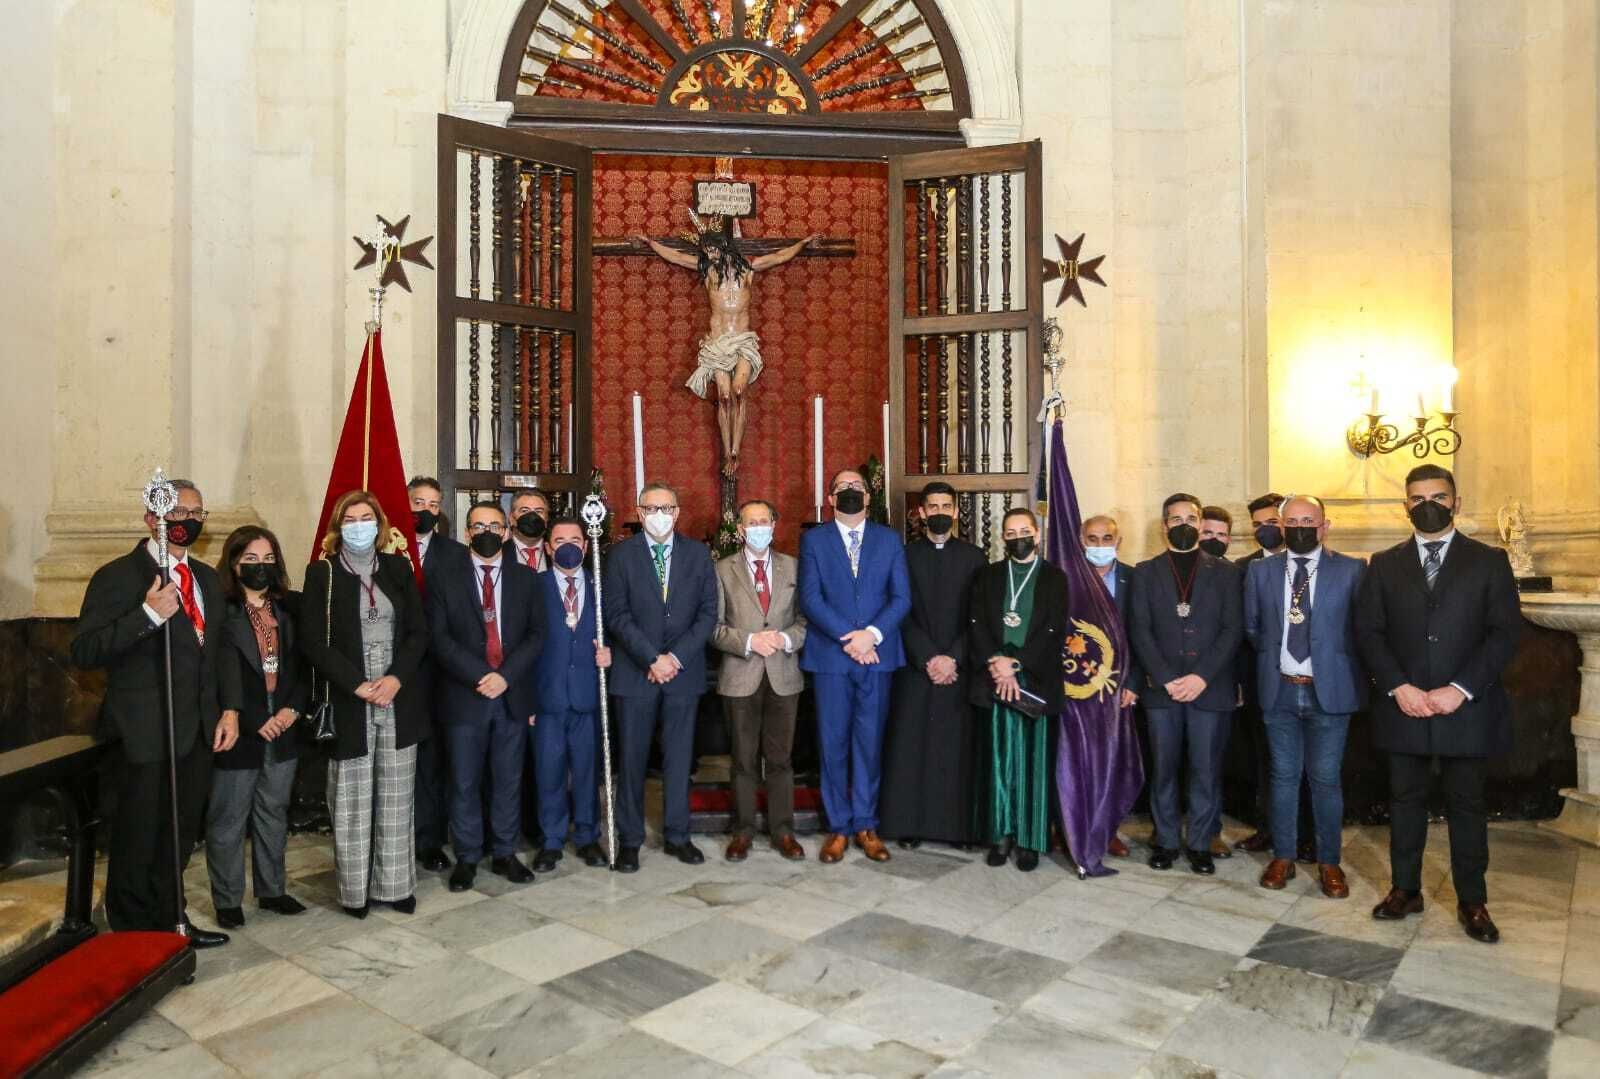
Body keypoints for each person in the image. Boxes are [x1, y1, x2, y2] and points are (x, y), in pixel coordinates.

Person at [1357, 464, 1521, 943]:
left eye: (1439, 497)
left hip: (1466, 708)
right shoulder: (1383, 563)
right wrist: (1398, 687)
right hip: (1403, 706)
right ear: (1405, 506)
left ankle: (1473, 901)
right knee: (1404, 802)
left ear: (1456, 503)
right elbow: (1369, 633)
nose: (1428, 505)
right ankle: (1405, 890)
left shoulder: (1489, 561)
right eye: (1418, 498)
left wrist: (1460, 688)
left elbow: (1504, 633)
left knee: (1467, 805)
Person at [71, 479, 234, 947]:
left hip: (198, 729)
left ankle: (171, 920)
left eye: (197, 513)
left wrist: (228, 710)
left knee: (179, 836)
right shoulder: (118, 576)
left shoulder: (206, 578)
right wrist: (146, 615)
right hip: (144, 731)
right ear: (152, 518)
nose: (189, 521)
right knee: (139, 835)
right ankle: (135, 936)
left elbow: (218, 652)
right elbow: (85, 650)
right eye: (179, 512)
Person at [301, 490, 430, 918]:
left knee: (396, 792)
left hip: (396, 690)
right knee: (352, 798)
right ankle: (355, 892)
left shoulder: (397, 568)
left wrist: (395, 678)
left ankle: (395, 886)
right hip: (350, 693)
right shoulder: (322, 573)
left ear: (379, 525)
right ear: (339, 528)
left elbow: (418, 632)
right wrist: (356, 684)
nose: (360, 526)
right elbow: (313, 642)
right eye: (351, 519)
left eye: (366, 518)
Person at [1243, 496, 1365, 898]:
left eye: (1308, 521)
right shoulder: (1260, 571)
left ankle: (1329, 861)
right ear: (1280, 526)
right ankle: (1284, 856)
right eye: (1292, 521)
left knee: (1326, 779)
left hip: (1329, 692)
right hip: (1279, 688)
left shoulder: (1351, 570)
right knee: (1282, 777)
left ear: (1324, 526)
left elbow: (1359, 631)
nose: (1300, 528)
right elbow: (1253, 628)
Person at [427, 501, 544, 891]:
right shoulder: (444, 578)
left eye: (495, 526)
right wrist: (481, 675)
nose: (487, 533)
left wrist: (504, 677)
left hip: (511, 696)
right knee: (464, 782)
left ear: (506, 532)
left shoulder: (526, 578)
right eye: (479, 527)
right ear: (467, 533)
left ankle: (505, 852)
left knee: (508, 780)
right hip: (465, 696)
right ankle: (467, 856)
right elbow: (439, 639)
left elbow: (536, 635)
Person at [638, 220, 817, 474]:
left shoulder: (749, 270)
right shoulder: (708, 272)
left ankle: (736, 450)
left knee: (739, 390)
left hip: (742, 341)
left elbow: (779, 256)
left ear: (723, 247)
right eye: (706, 251)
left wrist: (803, 243)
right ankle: (726, 452)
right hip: (717, 343)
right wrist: (651, 243)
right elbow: (676, 257)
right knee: (723, 396)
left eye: (712, 250)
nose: (709, 255)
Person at [799, 468, 912, 864]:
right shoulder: (813, 540)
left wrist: (872, 635)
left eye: (857, 486)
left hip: (877, 657)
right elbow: (810, 599)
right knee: (833, 745)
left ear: (869, 497)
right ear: (831, 498)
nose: (851, 491)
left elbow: (901, 597)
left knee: (869, 743)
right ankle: (839, 827)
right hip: (832, 658)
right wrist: (851, 638)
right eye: (843, 487)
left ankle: (866, 823)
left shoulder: (889, 539)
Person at [604, 482, 718, 872]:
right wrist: (652, 658)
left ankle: (678, 835)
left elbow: (707, 612)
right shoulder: (620, 556)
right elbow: (616, 614)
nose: (659, 515)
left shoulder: (698, 554)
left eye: (666, 508)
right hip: (635, 672)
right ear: (639, 513)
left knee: (679, 759)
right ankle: (630, 840)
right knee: (632, 760)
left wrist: (675, 658)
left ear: (678, 512)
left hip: (683, 673)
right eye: (651, 508)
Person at [1128, 492, 1243, 874]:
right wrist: (1165, 678)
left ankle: (1199, 843)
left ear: (1200, 522)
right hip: (1161, 689)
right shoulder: (1144, 572)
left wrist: (1200, 677)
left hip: (1209, 687)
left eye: (1191, 519)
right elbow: (1140, 630)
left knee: (1205, 769)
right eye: (1175, 519)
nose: (1184, 525)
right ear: (1164, 527)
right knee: (1163, 769)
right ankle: (1165, 841)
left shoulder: (1226, 573)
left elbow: (1232, 630)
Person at [206, 525, 309, 928]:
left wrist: (292, 709)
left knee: (273, 810)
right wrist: (251, 719)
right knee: (229, 815)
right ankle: (227, 899)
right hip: (237, 722)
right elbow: (215, 674)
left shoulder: (290, 607)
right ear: (234, 563)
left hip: (284, 720)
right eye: (250, 559)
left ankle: (272, 890)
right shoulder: (219, 610)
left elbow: (306, 663)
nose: (260, 566)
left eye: (267, 559)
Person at [880, 482, 986, 850]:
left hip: (958, 668)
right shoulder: (904, 556)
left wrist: (953, 656)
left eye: (946, 506)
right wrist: (928, 657)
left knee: (956, 750)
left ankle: (959, 829)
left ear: (955, 512)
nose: (939, 512)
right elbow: (899, 611)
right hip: (916, 667)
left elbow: (980, 616)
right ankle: (910, 824)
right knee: (912, 747)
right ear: (922, 513)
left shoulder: (975, 558)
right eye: (933, 507)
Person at [970, 508, 1069, 872]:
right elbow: (976, 623)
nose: (1018, 539)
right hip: (995, 677)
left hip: (1035, 678)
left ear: (1037, 534)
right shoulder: (989, 575)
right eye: (1010, 534)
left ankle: (1029, 840)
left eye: (1024, 532)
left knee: (1033, 763)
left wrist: (1018, 664)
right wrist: (998, 664)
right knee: (999, 761)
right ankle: (1001, 834)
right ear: (1003, 538)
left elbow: (1054, 628)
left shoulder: (1055, 577)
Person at [711, 499, 809, 861]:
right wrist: (750, 641)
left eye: (764, 521)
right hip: (741, 676)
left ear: (774, 525)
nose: (758, 528)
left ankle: (783, 831)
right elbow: (713, 627)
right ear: (740, 529)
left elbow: (805, 620)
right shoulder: (722, 569)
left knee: (781, 759)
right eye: (751, 523)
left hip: (784, 675)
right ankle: (743, 831)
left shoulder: (794, 567)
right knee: (743, 760)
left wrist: (783, 638)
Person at [531, 518, 611, 871]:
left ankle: (588, 837)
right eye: (560, 540)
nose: (568, 546)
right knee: (549, 771)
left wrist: (610, 655)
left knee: (586, 772)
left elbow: (615, 632)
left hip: (587, 696)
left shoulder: (599, 586)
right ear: (548, 547)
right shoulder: (534, 587)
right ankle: (551, 840)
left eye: (575, 540)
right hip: (547, 698)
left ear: (586, 545)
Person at [409, 474, 464, 873]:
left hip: (441, 671)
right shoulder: (387, 546)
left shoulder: (455, 554)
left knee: (435, 759)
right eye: (418, 503)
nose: (426, 511)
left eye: (433, 505)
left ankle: (431, 839)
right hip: (398, 672)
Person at [1081, 514, 1143, 857]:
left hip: (1118, 687)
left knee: (1112, 762)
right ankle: (1071, 826)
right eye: (1092, 539)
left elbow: (1142, 634)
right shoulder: (1069, 577)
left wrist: (1133, 682)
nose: (1100, 545)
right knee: (1077, 760)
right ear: (1082, 542)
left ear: (1118, 542)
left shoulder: (1135, 579)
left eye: (1107, 538)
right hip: (1077, 686)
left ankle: (1108, 830)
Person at [1234, 491, 1289, 854]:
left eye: (1272, 522)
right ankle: (1267, 828)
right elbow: (1240, 630)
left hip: (1308, 680)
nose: (1264, 529)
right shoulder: (1243, 568)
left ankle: (1303, 835)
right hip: (1259, 680)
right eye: (1258, 525)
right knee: (1265, 759)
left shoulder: (1315, 562)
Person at [509, 487, 552, 574]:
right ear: (511, 519)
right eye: (524, 511)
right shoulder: (499, 553)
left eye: (539, 511)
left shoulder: (555, 552)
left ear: (546, 519)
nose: (532, 516)